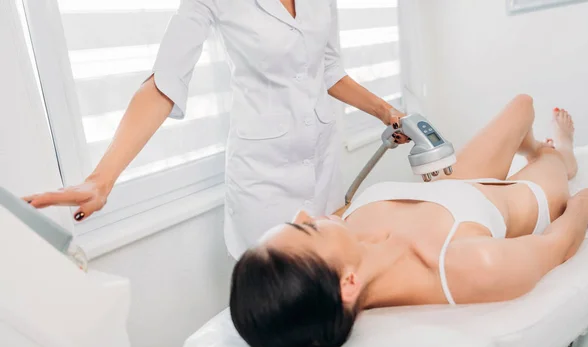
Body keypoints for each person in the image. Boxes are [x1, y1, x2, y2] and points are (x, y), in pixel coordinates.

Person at [22, 0, 409, 259]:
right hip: (264, 182)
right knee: (278, 300)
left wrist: (386, 112)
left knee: (334, 279)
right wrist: (101, 178)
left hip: (321, 166)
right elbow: (166, 81)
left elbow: (328, 68)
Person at [229, 95, 588, 347]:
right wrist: (583, 203)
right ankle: (558, 153)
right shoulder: (464, 264)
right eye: (307, 231)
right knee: (553, 159)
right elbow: (557, 246)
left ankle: (532, 146)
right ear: (348, 284)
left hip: (458, 184)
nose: (303, 215)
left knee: (523, 106)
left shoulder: (345, 232)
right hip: (519, 198)